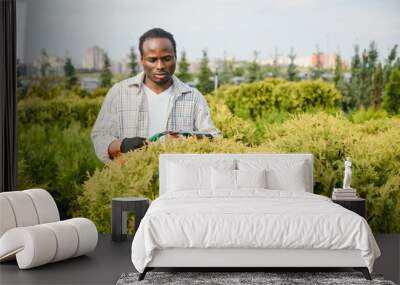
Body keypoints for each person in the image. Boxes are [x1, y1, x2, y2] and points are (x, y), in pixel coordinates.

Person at [91, 28, 221, 162]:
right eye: (152, 60)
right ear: (142, 60)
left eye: (166, 59)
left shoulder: (193, 96)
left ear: (175, 58)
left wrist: (188, 138)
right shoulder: (119, 93)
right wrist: (123, 145)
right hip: (132, 179)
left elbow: (214, 137)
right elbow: (100, 137)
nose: (160, 66)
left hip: (178, 179)